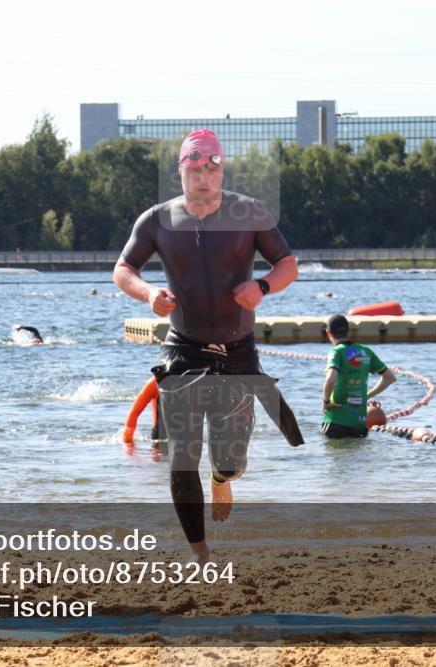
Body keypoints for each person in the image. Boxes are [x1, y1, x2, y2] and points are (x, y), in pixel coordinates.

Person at [113, 129, 300, 564]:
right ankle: (200, 552)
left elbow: (288, 263)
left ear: (222, 169)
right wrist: (148, 294)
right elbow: (123, 268)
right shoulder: (157, 220)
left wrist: (264, 286)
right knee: (182, 453)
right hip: (183, 347)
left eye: (211, 168)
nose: (203, 177)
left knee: (232, 456)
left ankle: (223, 475)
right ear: (181, 170)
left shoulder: (249, 213)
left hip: (237, 350)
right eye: (194, 168)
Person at [321, 315, 397, 439]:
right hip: (359, 423)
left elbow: (330, 378)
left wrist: (325, 402)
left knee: (333, 456)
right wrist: (367, 395)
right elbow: (390, 378)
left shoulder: (336, 352)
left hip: (336, 421)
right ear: (348, 331)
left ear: (328, 332)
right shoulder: (365, 351)